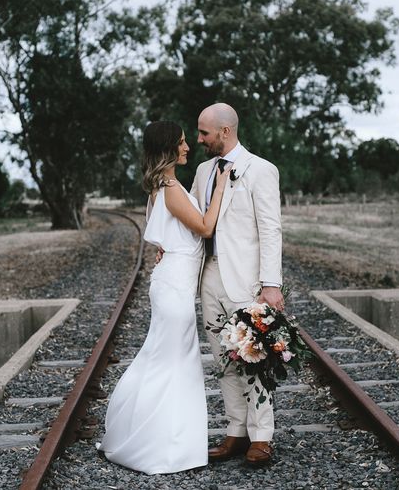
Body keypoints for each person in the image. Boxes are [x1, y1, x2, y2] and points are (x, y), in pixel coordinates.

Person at [97, 120, 230, 474]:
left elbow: (164, 236)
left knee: (166, 361)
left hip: (173, 283)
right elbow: (204, 228)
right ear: (169, 148)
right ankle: (160, 446)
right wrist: (219, 189)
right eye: (183, 143)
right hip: (174, 289)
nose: (188, 147)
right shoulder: (170, 186)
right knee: (173, 363)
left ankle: (165, 440)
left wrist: (167, 249)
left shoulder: (162, 186)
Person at [191, 103, 284, 466]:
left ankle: (262, 437)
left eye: (204, 133)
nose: (199, 139)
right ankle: (236, 431)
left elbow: (270, 229)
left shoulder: (261, 170)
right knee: (222, 359)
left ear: (225, 132)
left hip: (246, 281)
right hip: (209, 276)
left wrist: (271, 284)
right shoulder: (202, 171)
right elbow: (198, 221)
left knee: (254, 357)